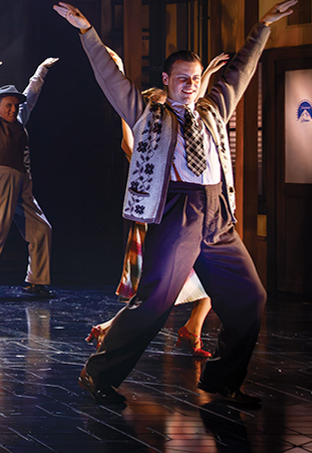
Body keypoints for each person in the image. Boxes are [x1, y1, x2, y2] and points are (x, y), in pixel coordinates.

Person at [62, 0, 297, 408]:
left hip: (217, 214)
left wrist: (263, 28)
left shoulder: (212, 111)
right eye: (182, 78)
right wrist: (87, 32)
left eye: (195, 78)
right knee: (154, 301)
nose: (189, 84)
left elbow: (241, 72)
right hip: (179, 212)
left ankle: (222, 379)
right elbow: (111, 80)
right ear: (167, 79)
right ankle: (98, 373)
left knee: (250, 298)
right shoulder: (148, 115)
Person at [87, 48, 226, 357]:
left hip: (188, 218)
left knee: (209, 284)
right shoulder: (145, 139)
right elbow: (127, 121)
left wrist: (209, 75)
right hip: (160, 219)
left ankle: (193, 331)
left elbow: (190, 108)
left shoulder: (179, 126)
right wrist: (119, 68)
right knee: (157, 293)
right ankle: (112, 328)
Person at [0, 56, 57, 311]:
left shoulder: (20, 120)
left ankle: (36, 281)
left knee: (41, 228)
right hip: (2, 178)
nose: (13, 110)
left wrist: (40, 70)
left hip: (23, 180)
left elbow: (31, 94)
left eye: (15, 106)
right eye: (8, 106)